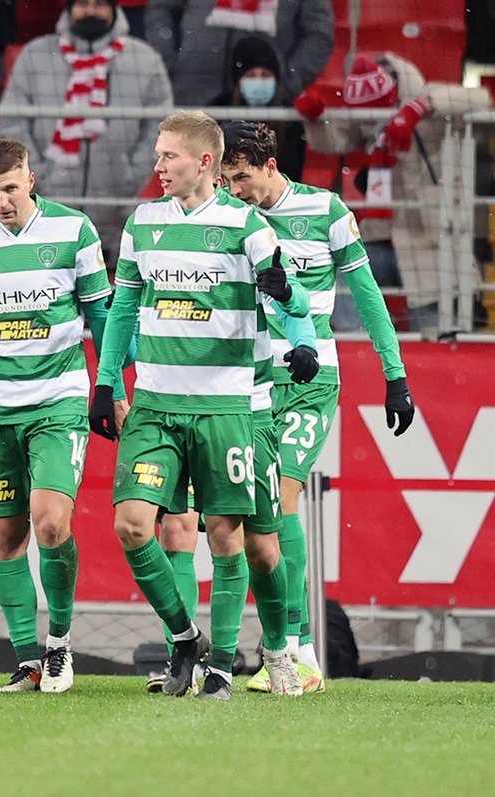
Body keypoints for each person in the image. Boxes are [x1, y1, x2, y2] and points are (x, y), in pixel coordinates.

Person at [89, 111, 313, 699]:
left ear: (204, 162)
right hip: (156, 405)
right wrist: (106, 382)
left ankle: (265, 653)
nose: (158, 166)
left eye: (169, 156)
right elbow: (123, 309)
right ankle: (188, 640)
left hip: (229, 407)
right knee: (132, 526)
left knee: (243, 543)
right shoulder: (142, 224)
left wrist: (305, 341)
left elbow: (288, 296)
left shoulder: (247, 225)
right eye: (158, 154)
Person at [218, 120, 415, 692]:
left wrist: (395, 376)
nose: (235, 189)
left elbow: (369, 297)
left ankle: (297, 651)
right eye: (226, 180)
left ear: (270, 166)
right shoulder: (228, 218)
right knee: (255, 517)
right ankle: (287, 647)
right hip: (251, 382)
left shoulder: (325, 211)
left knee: (281, 499)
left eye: (242, 177)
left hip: (312, 379)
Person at [0, 138, 129, 694]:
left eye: (10, 189)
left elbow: (101, 314)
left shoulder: (73, 230)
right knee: (4, 539)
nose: (1, 202)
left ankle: (59, 644)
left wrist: (113, 385)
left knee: (50, 523)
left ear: (31, 179)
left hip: (58, 401)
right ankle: (27, 661)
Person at [293, 53, 491, 332]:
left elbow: (481, 98)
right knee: (339, 277)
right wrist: (315, 120)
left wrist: (420, 107)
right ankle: (359, 348)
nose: (371, 124)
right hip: (380, 236)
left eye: (377, 112)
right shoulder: (368, 116)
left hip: (429, 240)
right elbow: (335, 142)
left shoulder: (428, 100)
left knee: (432, 334)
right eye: (365, 116)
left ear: (392, 95)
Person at [0, 0, 172, 264]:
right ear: (69, 8)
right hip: (46, 211)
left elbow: (159, 127)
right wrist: (39, 176)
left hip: (117, 217)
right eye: (83, 4)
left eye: (100, 4)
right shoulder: (36, 54)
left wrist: (130, 176)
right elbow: (13, 123)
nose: (91, 11)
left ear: (114, 9)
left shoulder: (144, 58)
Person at [145, 0, 333, 106]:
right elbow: (160, 10)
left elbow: (318, 34)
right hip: (191, 95)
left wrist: (287, 83)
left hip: (263, 105)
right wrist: (169, 66)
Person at [210, 36, 305, 181]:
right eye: (250, 75)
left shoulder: (289, 117)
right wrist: (219, 138)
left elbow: (294, 171)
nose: (258, 81)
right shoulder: (218, 110)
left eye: (265, 75)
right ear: (238, 81)